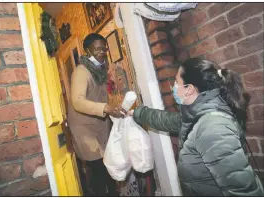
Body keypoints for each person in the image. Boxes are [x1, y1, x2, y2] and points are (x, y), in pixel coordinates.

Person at [129, 58, 264, 196]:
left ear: (189, 89)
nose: (173, 87)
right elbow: (166, 120)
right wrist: (137, 113)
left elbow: (243, 192)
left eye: (177, 82)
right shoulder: (197, 115)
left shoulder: (213, 127)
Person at [68, 33, 125, 196]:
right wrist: (106, 108)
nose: (102, 52)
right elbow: (78, 101)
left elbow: (99, 97)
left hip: (99, 126)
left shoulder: (100, 70)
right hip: (85, 130)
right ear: (87, 50)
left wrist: (114, 109)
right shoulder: (81, 71)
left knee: (108, 169)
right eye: (97, 48)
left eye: (104, 48)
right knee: (99, 171)